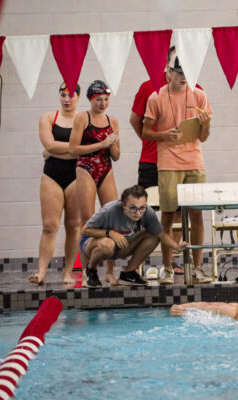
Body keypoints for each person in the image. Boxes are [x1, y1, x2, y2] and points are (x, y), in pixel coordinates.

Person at [130, 47, 204, 276]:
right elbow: (136, 121)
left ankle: (176, 261)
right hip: (153, 161)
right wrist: (153, 140)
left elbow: (201, 128)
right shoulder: (148, 87)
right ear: (167, 66)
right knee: (155, 213)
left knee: (186, 211)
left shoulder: (196, 89)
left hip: (186, 161)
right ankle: (153, 263)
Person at [143, 55, 213, 284]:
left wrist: (205, 124)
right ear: (168, 72)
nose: (184, 78)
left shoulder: (199, 95)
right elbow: (146, 132)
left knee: (196, 214)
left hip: (194, 161)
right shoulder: (156, 97)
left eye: (187, 74)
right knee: (168, 214)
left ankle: (197, 268)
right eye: (179, 73)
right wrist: (164, 135)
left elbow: (203, 137)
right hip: (168, 163)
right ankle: (168, 267)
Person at [80, 185, 187, 288]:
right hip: (94, 246)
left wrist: (176, 247)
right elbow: (85, 230)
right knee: (108, 244)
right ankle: (91, 270)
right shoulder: (109, 211)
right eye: (132, 208)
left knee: (153, 234)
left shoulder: (147, 212)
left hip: (121, 246)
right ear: (123, 204)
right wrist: (110, 233)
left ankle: (128, 274)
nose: (138, 213)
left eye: (142, 208)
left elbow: (161, 233)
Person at [29, 83, 81, 285]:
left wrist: (54, 151)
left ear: (78, 97)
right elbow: (48, 144)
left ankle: (68, 272)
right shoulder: (49, 118)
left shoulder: (84, 119)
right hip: (52, 175)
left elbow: (86, 148)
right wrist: (70, 148)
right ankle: (41, 272)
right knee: (50, 226)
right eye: (63, 95)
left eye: (71, 95)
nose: (67, 99)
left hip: (77, 175)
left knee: (74, 226)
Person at [69, 80, 121, 285]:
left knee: (113, 219)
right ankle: (85, 271)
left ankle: (109, 272)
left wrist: (112, 144)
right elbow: (73, 149)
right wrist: (101, 143)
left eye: (106, 99)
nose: (103, 103)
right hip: (85, 169)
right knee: (87, 220)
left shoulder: (112, 121)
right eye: (99, 99)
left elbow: (116, 156)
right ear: (91, 99)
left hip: (106, 168)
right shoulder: (83, 117)